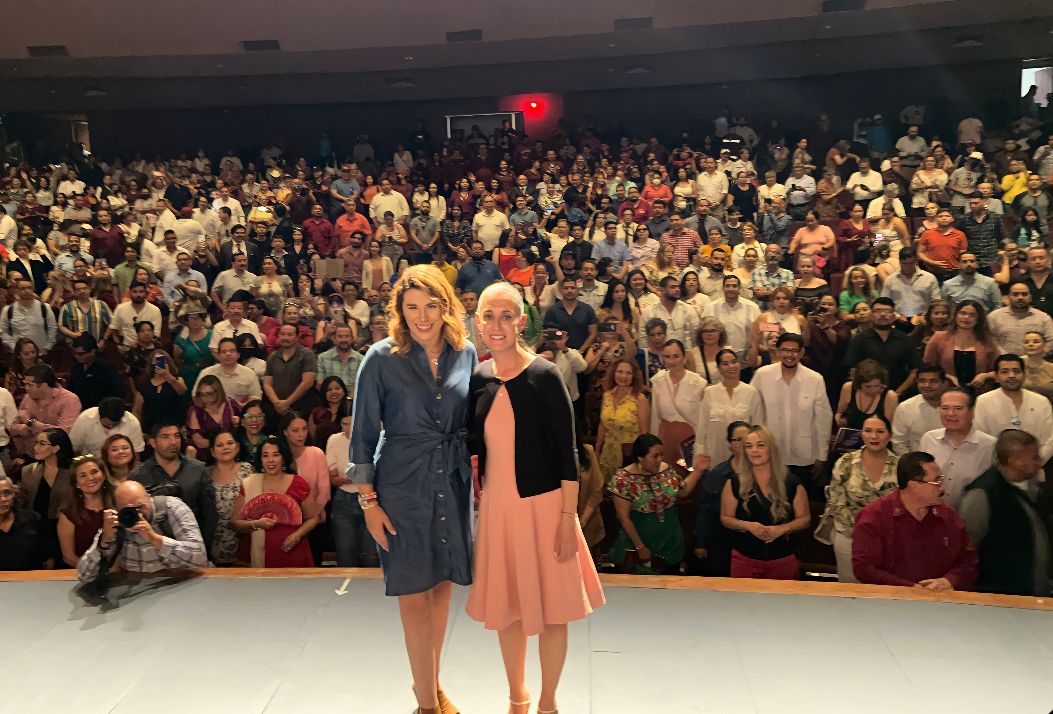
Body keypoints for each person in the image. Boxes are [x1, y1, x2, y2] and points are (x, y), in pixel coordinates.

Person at [465, 282, 603, 714]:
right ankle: (516, 698)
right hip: (499, 511)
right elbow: (473, 446)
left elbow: (568, 451)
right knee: (507, 609)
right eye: (489, 316)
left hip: (546, 510)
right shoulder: (479, 378)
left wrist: (567, 516)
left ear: (522, 323)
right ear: (478, 323)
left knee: (554, 610)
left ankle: (547, 702)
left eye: (507, 316)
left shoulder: (545, 376)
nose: (497, 325)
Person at [348, 264, 476, 714]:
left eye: (431, 306)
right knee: (413, 595)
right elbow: (362, 435)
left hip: (453, 483)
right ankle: (427, 705)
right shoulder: (381, 358)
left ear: (447, 306)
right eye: (412, 307)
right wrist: (368, 502)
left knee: (441, 589)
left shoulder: (467, 354)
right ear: (399, 311)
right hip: (400, 488)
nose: (423, 317)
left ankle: (430, 684)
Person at [852, 452, 978, 590]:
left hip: (940, 600)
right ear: (913, 485)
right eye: (937, 481)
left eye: (941, 479)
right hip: (890, 602)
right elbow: (864, 568)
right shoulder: (874, 516)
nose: (942, 488)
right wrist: (910, 588)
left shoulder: (947, 515)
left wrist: (949, 581)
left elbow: (969, 560)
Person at [960, 430, 1052, 596]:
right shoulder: (981, 495)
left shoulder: (1034, 487)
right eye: (1034, 457)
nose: (1040, 461)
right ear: (1015, 461)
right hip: (999, 598)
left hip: (1034, 593)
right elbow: (968, 549)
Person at [720, 426, 811, 579]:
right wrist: (748, 526)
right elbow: (725, 517)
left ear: (771, 448)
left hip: (783, 559)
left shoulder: (791, 482)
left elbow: (805, 519)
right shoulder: (734, 483)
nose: (754, 450)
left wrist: (783, 529)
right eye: (749, 446)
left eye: (760, 445)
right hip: (745, 559)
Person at [749, 333, 833, 499]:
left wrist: (822, 456)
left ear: (802, 353)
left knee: (800, 502)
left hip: (804, 456)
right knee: (770, 500)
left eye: (794, 351)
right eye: (785, 350)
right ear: (777, 352)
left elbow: (823, 420)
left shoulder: (815, 379)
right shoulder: (762, 375)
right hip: (770, 453)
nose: (790, 355)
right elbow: (751, 410)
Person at [75, 480, 209, 582]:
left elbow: (200, 557)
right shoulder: (116, 521)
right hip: (136, 588)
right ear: (118, 509)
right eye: (129, 510)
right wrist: (103, 542)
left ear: (149, 499)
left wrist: (154, 538)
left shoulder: (171, 508)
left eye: (141, 506)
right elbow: (84, 575)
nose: (138, 514)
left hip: (178, 582)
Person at [606, 432, 703, 575]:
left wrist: (698, 470)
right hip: (641, 540)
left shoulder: (665, 469)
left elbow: (682, 492)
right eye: (654, 456)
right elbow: (623, 518)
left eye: (661, 455)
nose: (659, 460)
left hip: (670, 539)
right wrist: (640, 546)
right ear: (640, 458)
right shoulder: (623, 480)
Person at [820, 415, 899, 583]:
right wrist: (862, 531)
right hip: (849, 534)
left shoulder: (900, 466)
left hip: (889, 539)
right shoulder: (845, 463)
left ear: (890, 435)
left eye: (880, 431)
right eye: (868, 431)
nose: (873, 436)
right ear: (861, 433)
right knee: (850, 589)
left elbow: (903, 504)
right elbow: (836, 502)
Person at [130, 422, 218, 555]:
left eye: (176, 436)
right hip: (152, 552)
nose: (173, 442)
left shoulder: (198, 470)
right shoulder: (138, 476)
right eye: (165, 437)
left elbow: (210, 515)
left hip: (193, 549)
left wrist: (202, 550)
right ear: (153, 442)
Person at [230, 435, 317, 567]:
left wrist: (297, 535)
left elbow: (313, 518)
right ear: (260, 459)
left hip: (293, 550)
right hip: (258, 552)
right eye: (265, 455)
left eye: (275, 455)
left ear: (283, 458)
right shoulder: (249, 484)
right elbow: (235, 523)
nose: (270, 460)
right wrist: (257, 523)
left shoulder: (298, 483)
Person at [918, 388, 996, 510]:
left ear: (972, 412)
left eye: (958, 408)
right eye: (945, 408)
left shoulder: (990, 446)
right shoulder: (929, 439)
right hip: (933, 516)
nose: (950, 413)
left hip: (971, 519)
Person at [974, 354, 1053, 469]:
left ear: (1024, 375)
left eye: (1016, 371)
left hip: (1035, 470)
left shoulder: (1041, 402)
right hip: (997, 470)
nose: (1012, 376)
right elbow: (981, 438)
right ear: (996, 376)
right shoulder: (983, 401)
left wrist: (1033, 463)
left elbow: (1050, 439)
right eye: (1005, 372)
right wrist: (1005, 466)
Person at [693, 349, 765, 471]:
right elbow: (702, 427)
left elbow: (758, 427)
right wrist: (700, 454)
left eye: (734, 362)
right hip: (715, 456)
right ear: (719, 368)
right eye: (725, 364)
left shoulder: (751, 392)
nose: (731, 366)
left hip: (744, 458)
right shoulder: (710, 393)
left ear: (739, 364)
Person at [844, 297, 919, 397]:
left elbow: (914, 371)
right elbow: (852, 371)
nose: (883, 314)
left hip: (900, 396)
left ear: (893, 316)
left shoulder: (905, 339)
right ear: (871, 315)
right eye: (878, 311)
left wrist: (896, 394)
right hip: (867, 395)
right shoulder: (859, 340)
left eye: (887, 311)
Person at [922, 298, 1001, 390]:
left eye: (972, 315)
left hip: (979, 393)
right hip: (946, 393)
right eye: (962, 313)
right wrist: (946, 375)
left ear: (978, 319)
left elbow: (1000, 369)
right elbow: (926, 367)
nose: (966, 317)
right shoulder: (938, 337)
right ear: (955, 316)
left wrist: (985, 376)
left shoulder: (986, 341)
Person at [649, 339, 706, 465]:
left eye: (676, 356)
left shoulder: (699, 383)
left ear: (684, 358)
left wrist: (701, 447)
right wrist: (652, 444)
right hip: (665, 438)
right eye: (667, 357)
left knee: (688, 478)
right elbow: (655, 417)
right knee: (665, 476)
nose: (672, 361)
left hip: (690, 440)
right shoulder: (658, 380)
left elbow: (703, 420)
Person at [56, 454, 116, 567]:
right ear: (76, 484)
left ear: (103, 475)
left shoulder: (118, 503)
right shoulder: (68, 513)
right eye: (83, 475)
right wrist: (95, 572)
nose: (90, 478)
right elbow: (69, 557)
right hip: (85, 575)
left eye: (94, 472)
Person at [596, 359, 650, 482]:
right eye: (620, 371)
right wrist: (597, 450)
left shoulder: (640, 399)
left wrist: (640, 458)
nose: (623, 376)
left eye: (628, 373)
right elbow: (602, 425)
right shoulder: (607, 395)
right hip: (607, 452)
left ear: (634, 376)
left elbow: (644, 433)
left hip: (629, 454)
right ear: (614, 373)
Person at [892, 363, 948, 455]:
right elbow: (898, 442)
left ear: (944, 383)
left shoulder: (956, 407)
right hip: (917, 464)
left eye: (933, 381)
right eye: (922, 381)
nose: (927, 385)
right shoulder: (905, 408)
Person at [987, 283, 1053, 356]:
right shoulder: (994, 317)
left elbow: (1051, 341)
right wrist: (1004, 357)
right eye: (1015, 294)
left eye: (1024, 294)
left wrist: (1039, 355)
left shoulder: (1043, 318)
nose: (1020, 297)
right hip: (1002, 363)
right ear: (1008, 297)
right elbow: (988, 339)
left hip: (1034, 362)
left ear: (1031, 297)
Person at [186, 375, 241, 461]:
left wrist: (238, 424)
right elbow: (198, 441)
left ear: (218, 392)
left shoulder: (230, 405)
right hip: (206, 452)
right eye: (202, 394)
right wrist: (218, 446)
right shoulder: (196, 411)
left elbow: (240, 429)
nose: (205, 398)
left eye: (209, 394)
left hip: (230, 449)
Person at [834, 358, 899, 430]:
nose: (873, 390)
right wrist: (840, 421)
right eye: (868, 386)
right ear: (859, 384)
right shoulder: (848, 388)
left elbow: (888, 429)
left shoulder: (890, 396)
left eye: (877, 386)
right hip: (851, 437)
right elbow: (839, 414)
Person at [69, 396, 146, 456]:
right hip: (92, 459)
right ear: (99, 415)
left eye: (114, 425)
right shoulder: (85, 419)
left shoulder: (132, 422)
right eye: (107, 425)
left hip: (120, 461)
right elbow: (74, 449)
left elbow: (136, 451)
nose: (111, 427)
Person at [194, 338, 262, 406]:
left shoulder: (249, 373)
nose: (228, 354)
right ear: (218, 355)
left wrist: (240, 406)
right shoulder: (206, 373)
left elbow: (256, 397)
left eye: (232, 351)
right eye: (224, 351)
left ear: (238, 354)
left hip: (241, 412)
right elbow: (195, 396)